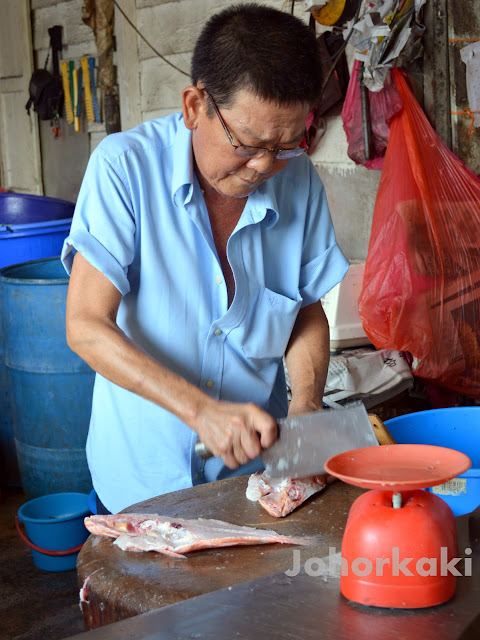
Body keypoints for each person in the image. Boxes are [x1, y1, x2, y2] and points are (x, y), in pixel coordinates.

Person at [62, 3, 349, 515]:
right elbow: (85, 325)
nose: (264, 165)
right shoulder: (125, 168)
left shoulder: (297, 180)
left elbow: (305, 308)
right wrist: (201, 412)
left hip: (252, 484)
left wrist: (306, 406)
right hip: (142, 484)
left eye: (285, 144)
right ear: (195, 105)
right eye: (248, 142)